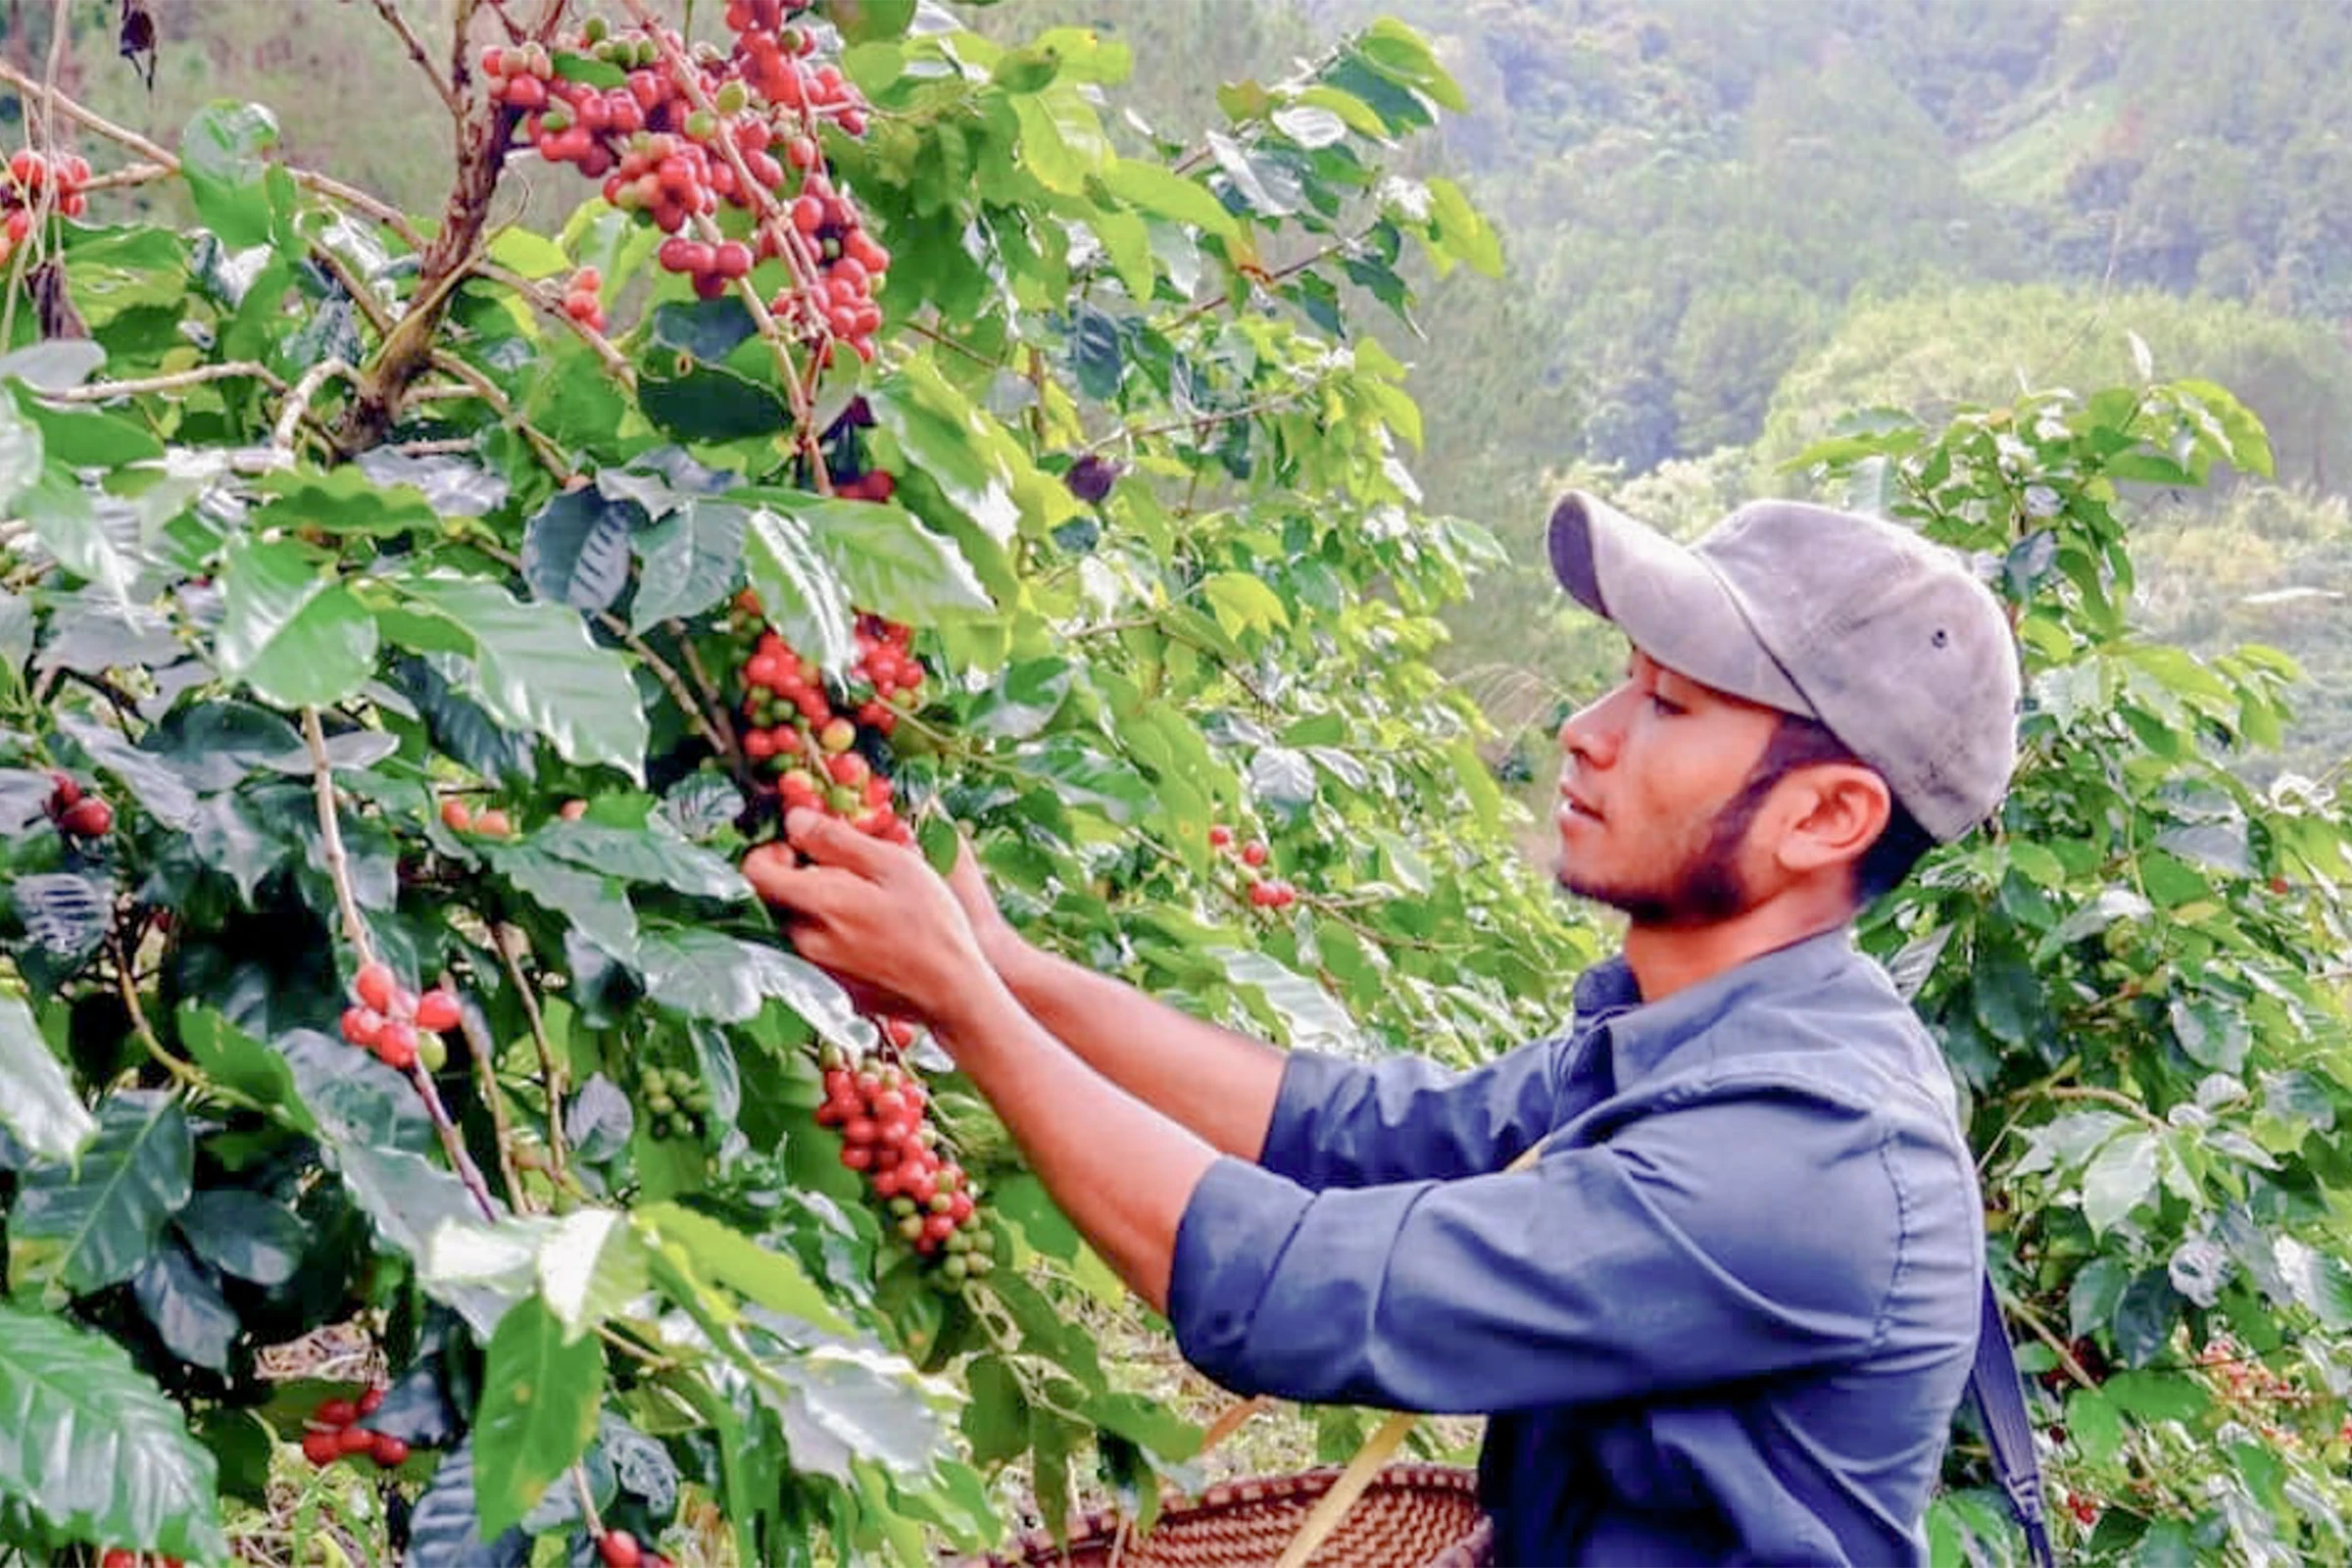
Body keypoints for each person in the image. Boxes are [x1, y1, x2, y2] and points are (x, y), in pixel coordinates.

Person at [744, 489, 2023, 1567]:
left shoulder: (1810, 1150)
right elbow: (1356, 1138)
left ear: (1826, 818)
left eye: (1669, 708)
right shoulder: (1694, 1039)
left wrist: (964, 1007)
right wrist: (1013, 971)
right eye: (1619, 685)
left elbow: (1293, 1289)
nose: (1584, 736)